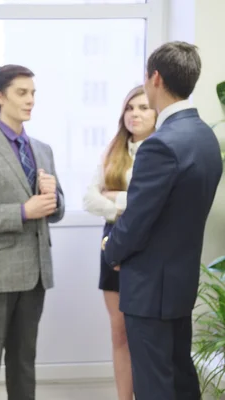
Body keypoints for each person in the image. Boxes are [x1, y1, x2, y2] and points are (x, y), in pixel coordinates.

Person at [102, 41, 223, 400]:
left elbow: (138, 220)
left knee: (154, 386)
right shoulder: (204, 137)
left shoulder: (161, 144)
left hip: (150, 289)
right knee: (181, 381)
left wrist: (112, 249)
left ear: (155, 78)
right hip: (180, 282)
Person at [0, 64, 65, 400]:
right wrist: (22, 211)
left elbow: (56, 209)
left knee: (24, 361)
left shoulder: (43, 149)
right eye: (22, 92)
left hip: (36, 275)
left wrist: (53, 198)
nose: (30, 100)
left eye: (33, 93)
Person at [83, 84, 156, 400]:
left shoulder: (161, 150)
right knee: (120, 332)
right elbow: (88, 199)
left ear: (156, 113)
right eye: (130, 108)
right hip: (111, 245)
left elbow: (154, 203)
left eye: (143, 107)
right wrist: (124, 205)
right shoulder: (112, 151)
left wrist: (116, 199)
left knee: (145, 334)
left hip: (147, 250)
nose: (135, 114)